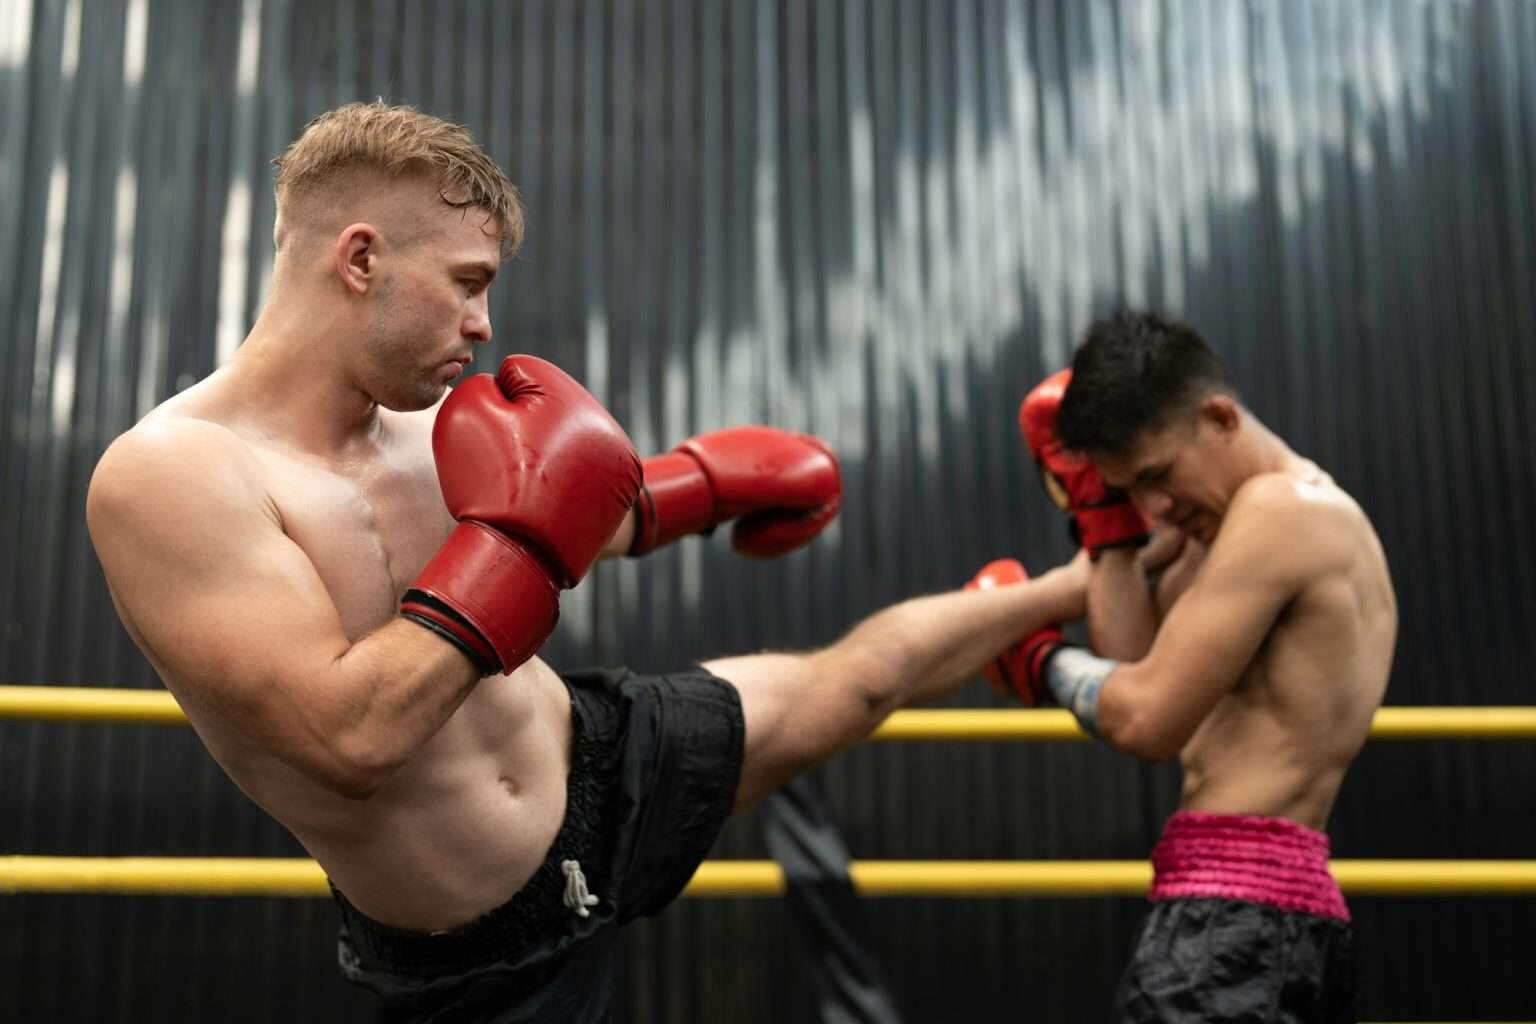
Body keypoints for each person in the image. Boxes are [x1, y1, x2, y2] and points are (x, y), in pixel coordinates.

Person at [85, 102, 1085, 1022]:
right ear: (360, 258)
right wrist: (518, 545)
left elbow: (574, 515)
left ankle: (1058, 589)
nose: (483, 324)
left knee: (856, 682)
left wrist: (706, 486)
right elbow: (351, 738)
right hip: (480, 954)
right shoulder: (173, 477)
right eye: (467, 283)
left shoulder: (430, 421)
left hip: (601, 757)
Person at [974, 311, 1397, 1022]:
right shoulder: (1214, 536)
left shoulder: (1284, 510)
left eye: (1159, 476)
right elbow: (1135, 667)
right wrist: (1107, 531)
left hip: (1233, 918)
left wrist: (1041, 661)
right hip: (1275, 916)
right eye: (1128, 491)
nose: (1156, 506)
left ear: (1220, 416)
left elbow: (1144, 717)